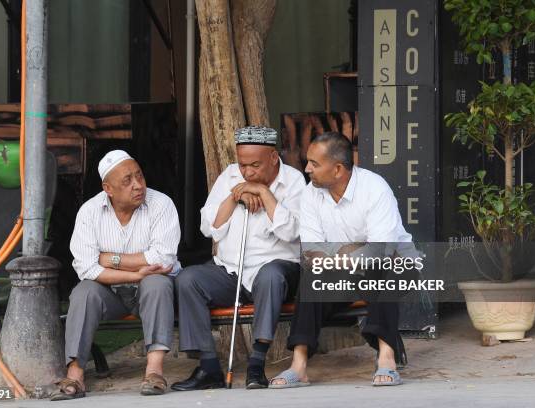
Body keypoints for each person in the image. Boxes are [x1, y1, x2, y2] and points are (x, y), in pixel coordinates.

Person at [270, 132, 412, 388]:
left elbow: (380, 250)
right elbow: (312, 253)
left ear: (337, 169)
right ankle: (299, 366)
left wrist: (340, 256)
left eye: (314, 163)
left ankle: (387, 359)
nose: (307, 168)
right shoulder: (311, 194)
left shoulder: (374, 188)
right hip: (343, 269)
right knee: (312, 278)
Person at [172, 126, 306, 391]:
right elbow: (208, 227)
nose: (247, 172)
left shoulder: (294, 181)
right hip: (230, 270)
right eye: (243, 164)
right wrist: (234, 196)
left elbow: (293, 233)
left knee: (271, 275)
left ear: (273, 156)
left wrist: (265, 194)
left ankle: (257, 363)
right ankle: (209, 367)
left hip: (277, 269)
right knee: (188, 280)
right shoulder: (230, 176)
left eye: (255, 165)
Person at [51, 150, 181, 400]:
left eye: (139, 176)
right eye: (127, 181)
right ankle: (75, 374)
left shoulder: (161, 204)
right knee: (84, 291)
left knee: (156, 282)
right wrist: (135, 273)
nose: (138, 185)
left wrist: (110, 259)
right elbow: (86, 269)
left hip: (152, 292)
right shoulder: (89, 212)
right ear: (108, 188)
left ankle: (154, 371)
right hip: (110, 294)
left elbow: (163, 259)